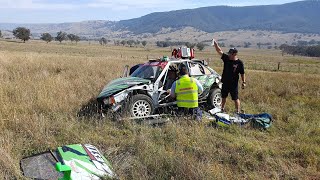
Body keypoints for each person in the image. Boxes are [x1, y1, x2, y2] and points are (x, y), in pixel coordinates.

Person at [212, 39, 246, 113]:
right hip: (225, 83)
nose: (229, 55)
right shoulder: (226, 58)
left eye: (230, 54)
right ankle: (222, 109)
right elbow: (219, 51)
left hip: (233, 84)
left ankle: (238, 111)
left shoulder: (239, 63)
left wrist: (244, 82)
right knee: (223, 97)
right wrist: (215, 44)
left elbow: (242, 73)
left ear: (234, 54)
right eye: (229, 53)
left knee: (235, 98)